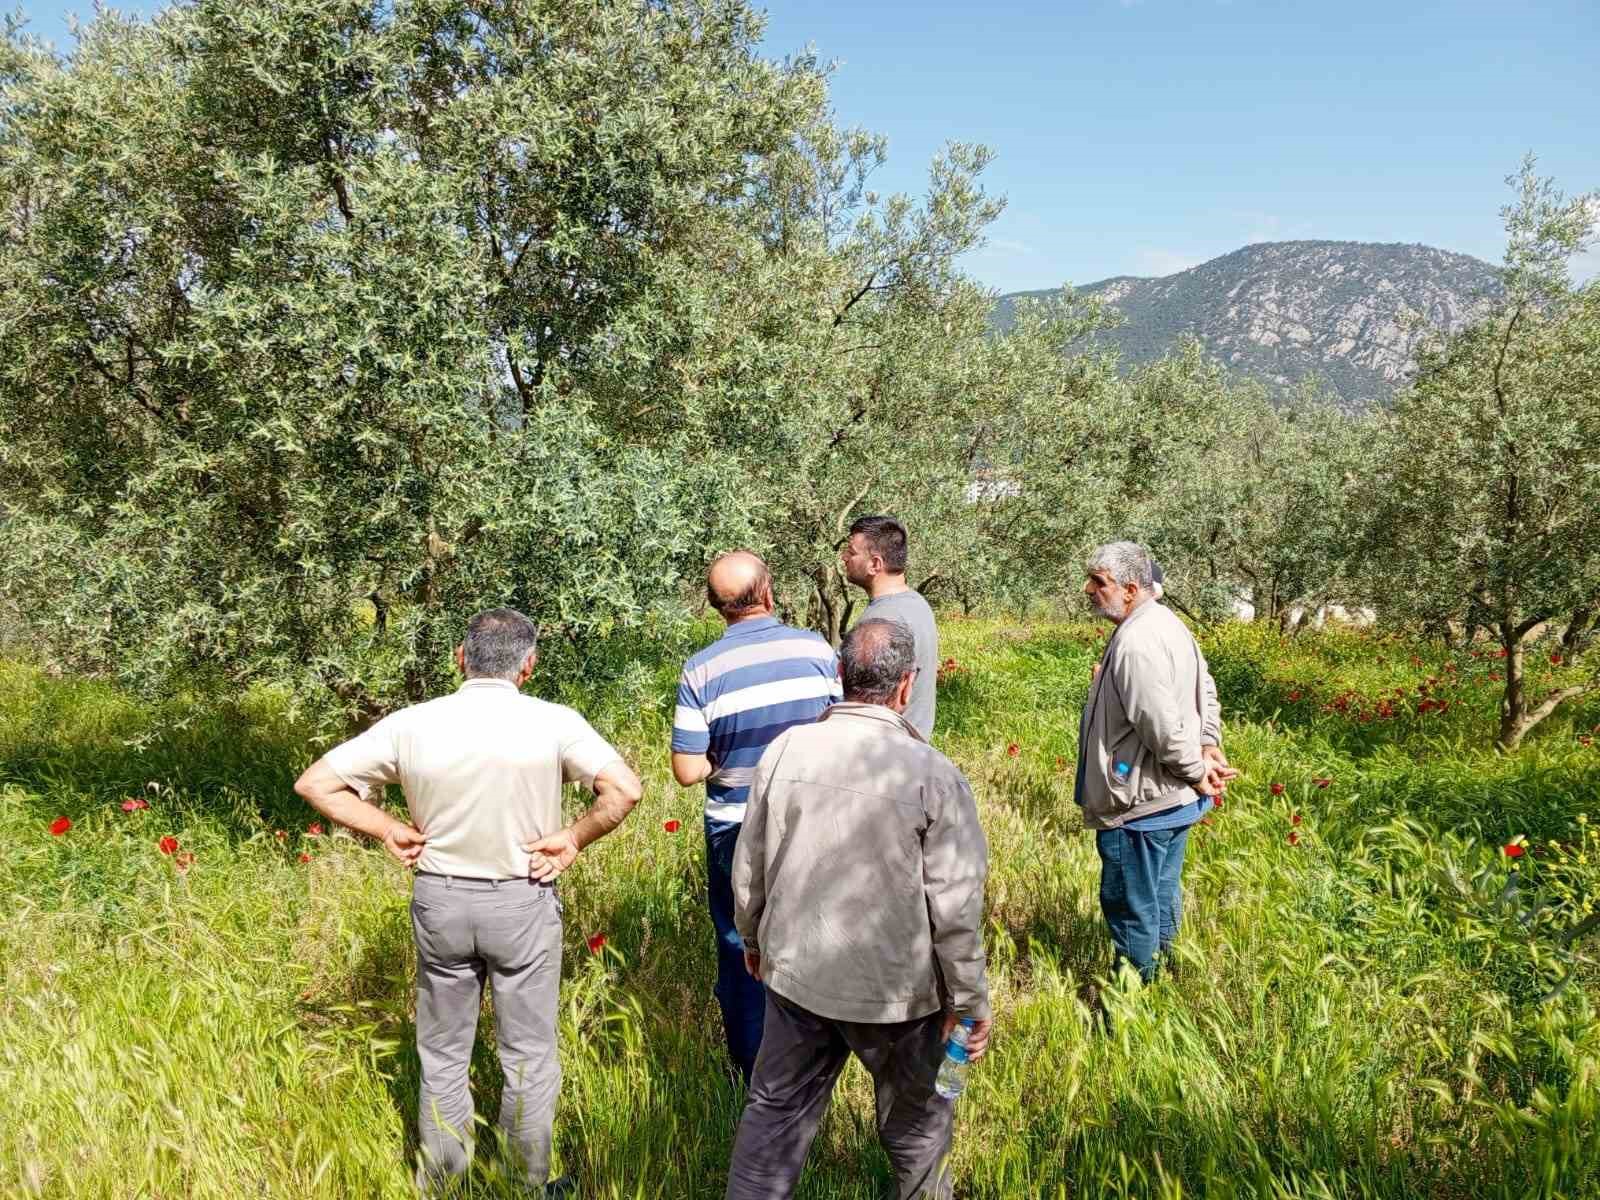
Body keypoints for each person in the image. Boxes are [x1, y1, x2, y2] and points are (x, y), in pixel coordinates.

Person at [293, 608, 642, 1196]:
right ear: (527, 665)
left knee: (443, 1051)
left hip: (441, 899)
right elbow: (625, 789)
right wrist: (573, 839)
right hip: (522, 897)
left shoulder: (411, 723)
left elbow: (315, 783)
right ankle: (525, 1185)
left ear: (461, 657)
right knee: (529, 1054)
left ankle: (445, 1181)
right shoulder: (554, 722)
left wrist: (385, 828)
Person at [725, 618, 990, 1200]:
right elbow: (956, 907)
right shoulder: (935, 775)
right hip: (899, 995)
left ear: (840, 676)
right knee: (917, 1140)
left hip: (797, 976)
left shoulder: (785, 750)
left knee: (771, 1123)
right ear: (906, 686)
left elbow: (750, 866)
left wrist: (753, 941)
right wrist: (968, 1002)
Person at [671, 551, 841, 1082]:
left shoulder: (701, 670)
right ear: (769, 591)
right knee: (815, 929)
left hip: (734, 824)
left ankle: (752, 1067)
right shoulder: (816, 650)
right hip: (810, 818)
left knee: (740, 940)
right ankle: (817, 1057)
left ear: (715, 607)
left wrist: (721, 758)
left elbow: (686, 770)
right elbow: (840, 726)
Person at [1076, 542, 1237, 983]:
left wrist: (1196, 768)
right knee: (1161, 899)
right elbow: (1206, 686)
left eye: (1099, 581)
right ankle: (1163, 985)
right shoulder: (1168, 624)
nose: (1088, 589)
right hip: (1170, 800)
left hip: (1140, 806)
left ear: (1130, 589)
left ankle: (1130, 1004)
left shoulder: (1137, 641)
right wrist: (1207, 741)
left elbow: (1159, 724)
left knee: (1132, 911)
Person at [840, 514, 939, 738]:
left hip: (885, 752)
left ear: (875, 564)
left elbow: (870, 706)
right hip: (912, 749)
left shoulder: (881, 623)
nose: (844, 557)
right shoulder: (916, 603)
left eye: (852, 552)